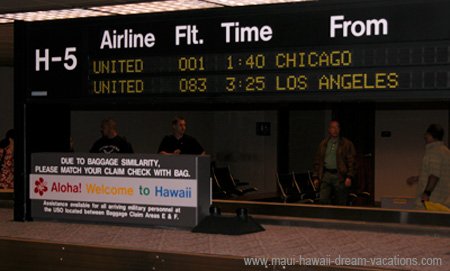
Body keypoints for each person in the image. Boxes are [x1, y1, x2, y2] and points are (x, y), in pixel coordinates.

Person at [312, 120, 356, 205]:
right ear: (329, 130)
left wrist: (349, 176)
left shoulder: (346, 144)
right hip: (326, 174)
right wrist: (316, 177)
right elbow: (317, 160)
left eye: (337, 127)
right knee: (323, 199)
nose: (335, 130)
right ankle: (325, 217)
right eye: (332, 127)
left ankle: (340, 217)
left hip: (339, 176)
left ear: (339, 129)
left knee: (341, 201)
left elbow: (352, 161)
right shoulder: (323, 144)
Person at [406, 124, 450, 209]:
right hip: (445, 200)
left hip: (432, 201)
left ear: (430, 135)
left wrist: (426, 193)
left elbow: (434, 175)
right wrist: (417, 178)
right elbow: (437, 171)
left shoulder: (434, 151)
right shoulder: (446, 151)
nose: (424, 136)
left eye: (426, 134)